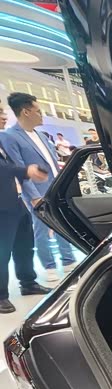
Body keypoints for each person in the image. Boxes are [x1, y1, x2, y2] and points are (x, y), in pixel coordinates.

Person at [2, 93, 77, 282]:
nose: (41, 114)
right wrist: (33, 196)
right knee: (42, 228)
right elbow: (18, 168)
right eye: (38, 111)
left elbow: (52, 162)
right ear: (26, 112)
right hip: (36, 191)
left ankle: (68, 260)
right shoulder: (10, 136)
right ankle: (49, 265)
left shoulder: (41, 135)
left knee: (61, 223)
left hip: (55, 187)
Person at [0, 106, 52, 313]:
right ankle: (1, 296)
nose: (4, 116)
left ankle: (28, 282)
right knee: (2, 251)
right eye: (0, 112)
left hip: (14, 201)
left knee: (24, 244)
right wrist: (25, 171)